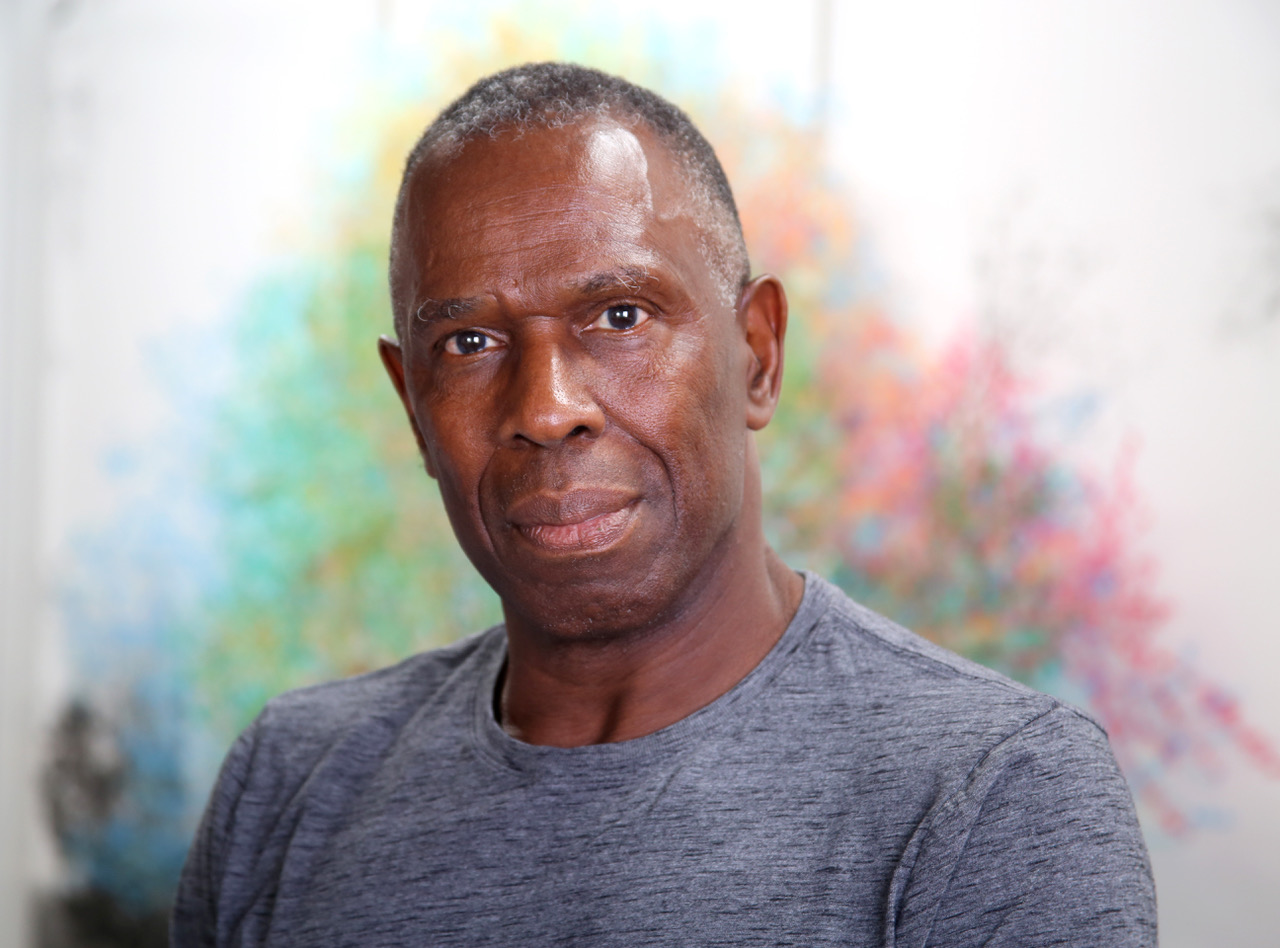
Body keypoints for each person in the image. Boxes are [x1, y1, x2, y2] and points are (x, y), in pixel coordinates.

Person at [172, 63, 1157, 947]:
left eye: (620, 316)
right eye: (468, 344)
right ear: (413, 409)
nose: (546, 409)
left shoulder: (994, 799)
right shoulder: (286, 787)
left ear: (756, 356)